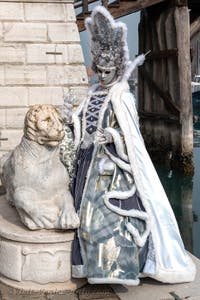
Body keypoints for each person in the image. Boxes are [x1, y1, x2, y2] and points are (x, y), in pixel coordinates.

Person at [64, 6, 196, 285]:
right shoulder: (94, 92)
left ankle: (114, 270)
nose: (101, 75)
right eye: (98, 70)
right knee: (83, 218)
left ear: (117, 68)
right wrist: (69, 119)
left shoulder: (122, 95)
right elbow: (81, 121)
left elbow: (131, 133)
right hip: (87, 162)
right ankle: (89, 268)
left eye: (107, 70)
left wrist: (112, 136)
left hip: (111, 167)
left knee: (105, 220)